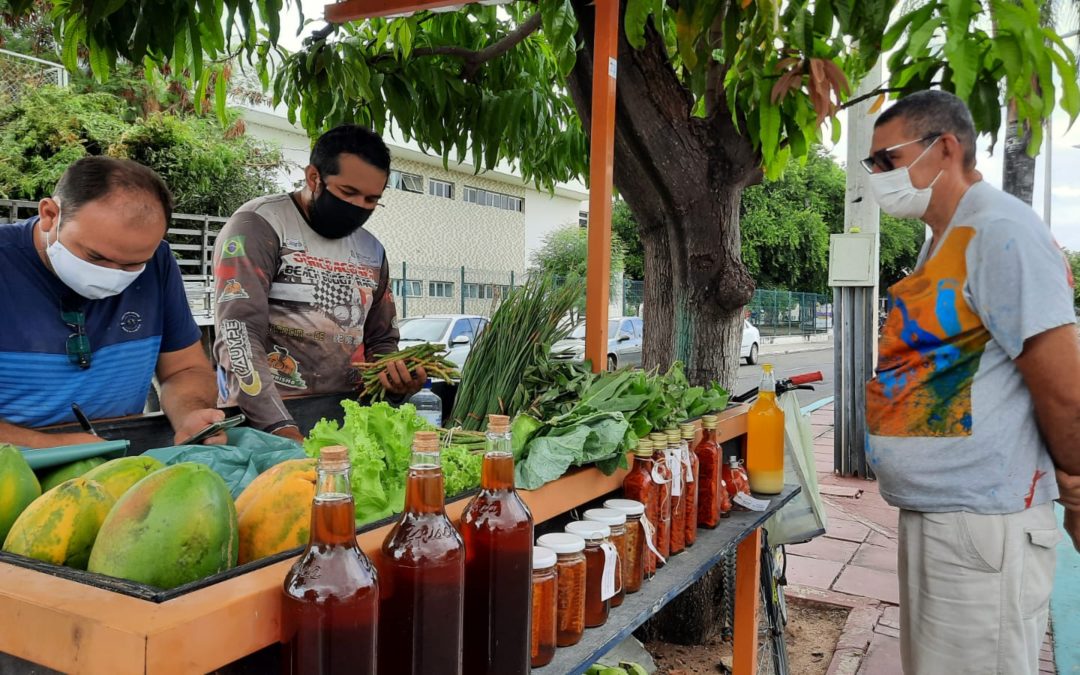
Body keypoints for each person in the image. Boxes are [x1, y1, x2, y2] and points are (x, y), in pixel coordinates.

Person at [863, 90, 1080, 675]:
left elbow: (1064, 390)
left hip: (984, 530)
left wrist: (1077, 489)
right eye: (872, 164)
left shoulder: (1002, 231)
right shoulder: (943, 239)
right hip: (943, 518)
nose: (878, 175)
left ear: (945, 148)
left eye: (887, 159)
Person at [213, 125, 424, 442]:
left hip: (347, 420)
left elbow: (381, 340)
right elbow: (238, 334)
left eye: (371, 199)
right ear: (314, 177)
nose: (359, 207)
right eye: (348, 193)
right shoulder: (261, 224)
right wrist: (279, 428)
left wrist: (393, 381)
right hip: (263, 423)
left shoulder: (372, 250)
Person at [0, 157, 226, 448]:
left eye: (133, 264)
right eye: (95, 257)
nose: (111, 275)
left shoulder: (158, 262)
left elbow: (184, 369)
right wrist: (53, 448)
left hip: (116, 463)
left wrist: (190, 415)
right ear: (50, 214)